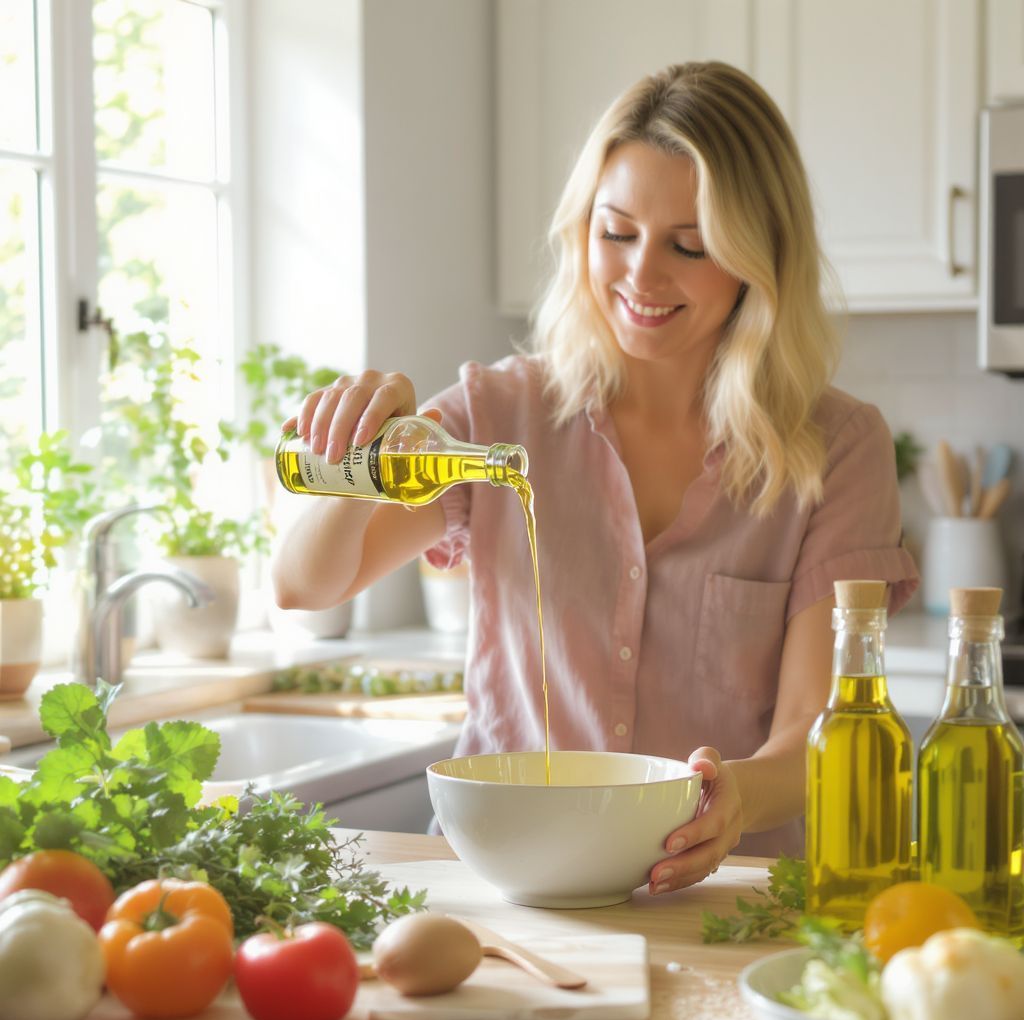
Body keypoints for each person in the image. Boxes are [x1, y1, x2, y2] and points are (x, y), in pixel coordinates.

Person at [272, 61, 919, 894]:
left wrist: (730, 800)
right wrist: (361, 460)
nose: (642, 276)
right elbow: (304, 584)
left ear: (761, 258)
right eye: (617, 233)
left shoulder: (836, 449)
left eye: (690, 245)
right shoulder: (494, 414)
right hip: (506, 887)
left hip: (718, 894)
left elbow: (816, 728)